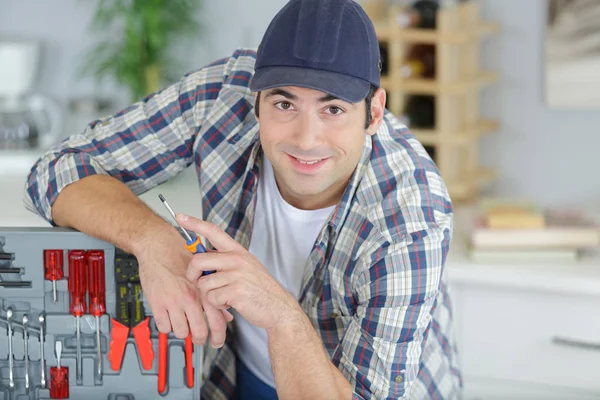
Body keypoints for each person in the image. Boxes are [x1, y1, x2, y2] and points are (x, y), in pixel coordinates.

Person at [24, 0, 462, 398]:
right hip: (233, 376)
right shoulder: (222, 95)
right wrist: (154, 242)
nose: (306, 140)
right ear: (255, 100)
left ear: (375, 112)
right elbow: (56, 171)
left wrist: (281, 315)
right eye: (284, 105)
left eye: (333, 109)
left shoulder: (411, 218)